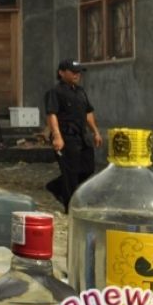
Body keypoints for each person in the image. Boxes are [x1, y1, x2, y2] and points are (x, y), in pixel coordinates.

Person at [44, 59, 102, 211]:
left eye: (79, 72)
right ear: (61, 73)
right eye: (73, 72)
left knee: (88, 168)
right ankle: (70, 206)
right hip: (66, 136)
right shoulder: (55, 92)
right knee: (70, 173)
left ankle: (55, 186)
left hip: (81, 136)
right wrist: (57, 136)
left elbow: (88, 112)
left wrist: (95, 131)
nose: (77, 75)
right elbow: (51, 114)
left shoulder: (80, 91)